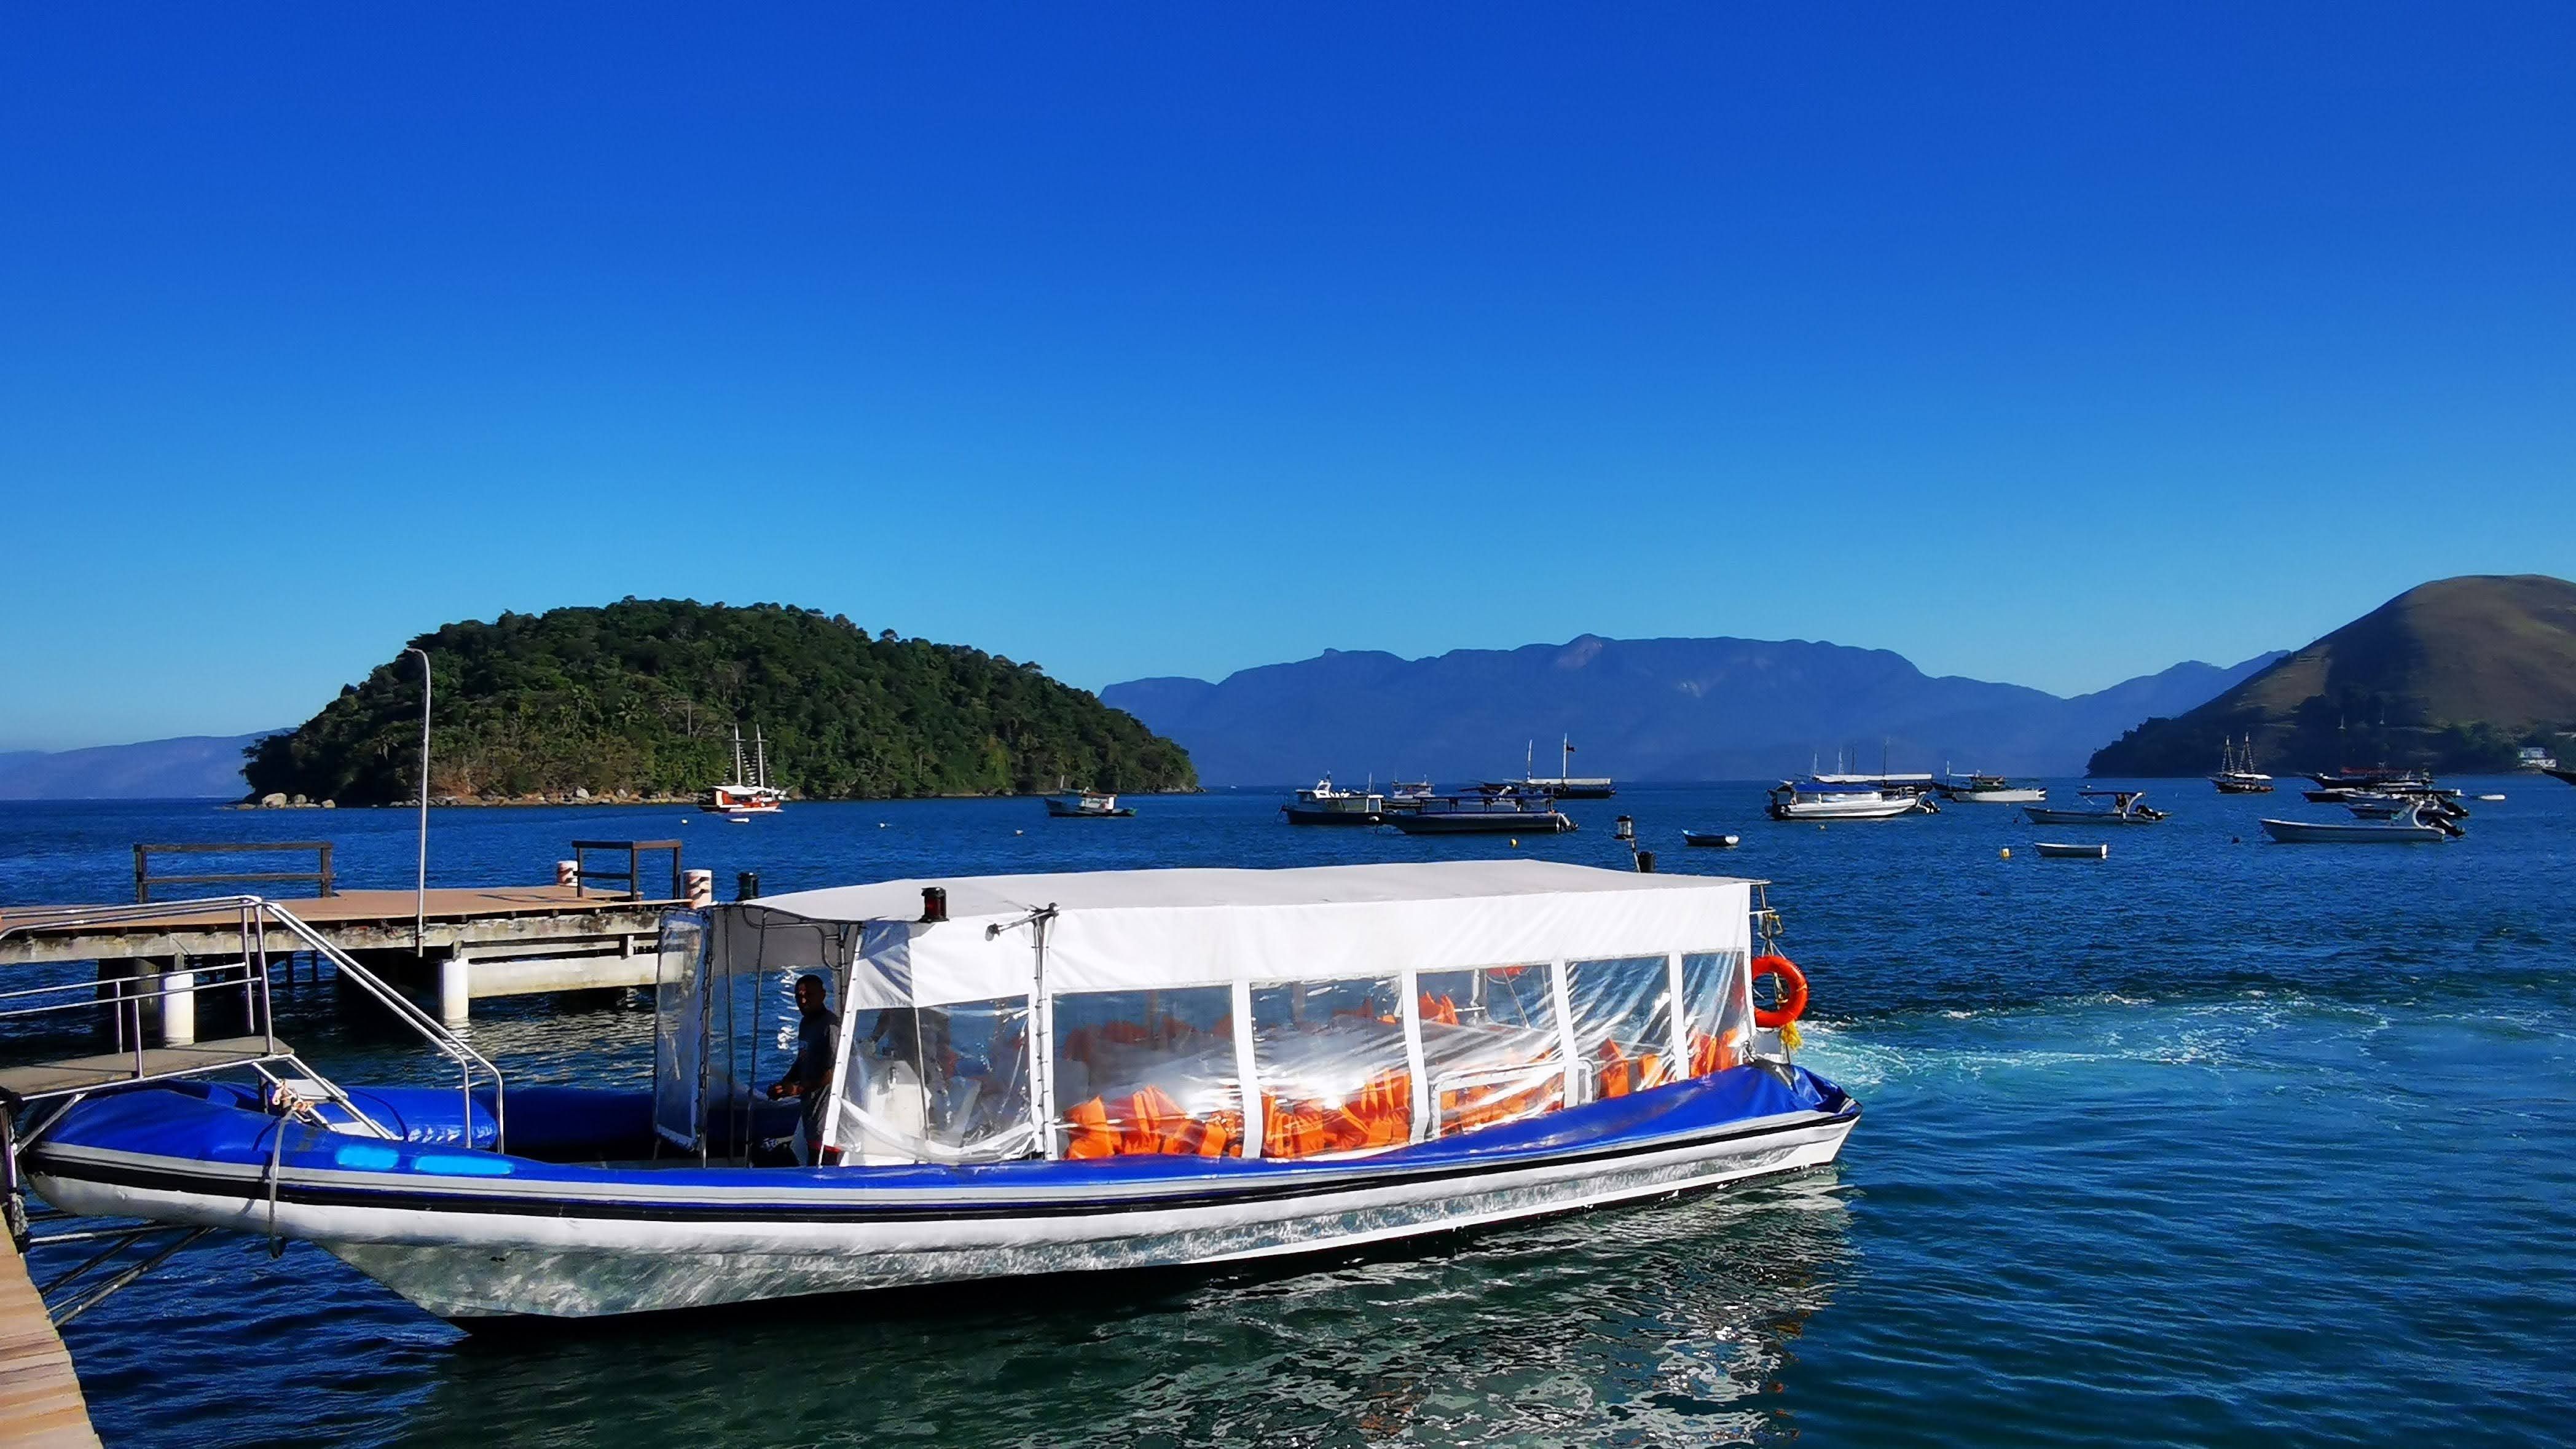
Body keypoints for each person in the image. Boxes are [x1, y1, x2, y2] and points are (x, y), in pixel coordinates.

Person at [766, 973, 839, 1163]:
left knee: (823, 1160)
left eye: (809, 995)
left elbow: (833, 1072)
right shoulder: (806, 1024)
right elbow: (802, 1060)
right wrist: (785, 1084)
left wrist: (798, 1089)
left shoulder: (830, 1027)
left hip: (826, 1110)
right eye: (799, 997)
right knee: (811, 1153)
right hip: (810, 1108)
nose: (803, 1001)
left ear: (823, 995)